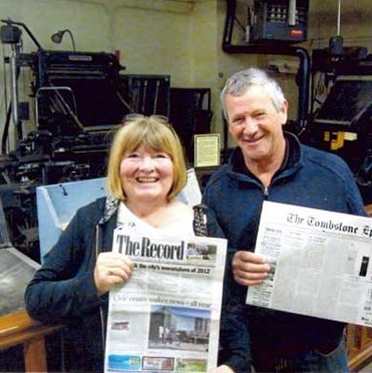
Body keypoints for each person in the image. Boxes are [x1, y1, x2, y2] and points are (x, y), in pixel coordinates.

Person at [202, 67, 372, 372]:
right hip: (249, 357)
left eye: (259, 114)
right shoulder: (218, 188)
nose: (249, 128)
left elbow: (367, 248)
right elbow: (205, 268)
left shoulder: (331, 173)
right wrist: (231, 262)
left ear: (282, 111)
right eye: (238, 119)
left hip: (319, 354)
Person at [25, 115, 251, 372]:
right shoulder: (93, 221)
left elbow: (230, 310)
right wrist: (92, 284)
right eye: (133, 156)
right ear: (117, 166)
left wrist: (234, 365)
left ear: (175, 165)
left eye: (159, 156)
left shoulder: (203, 223)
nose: (147, 167)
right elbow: (36, 299)